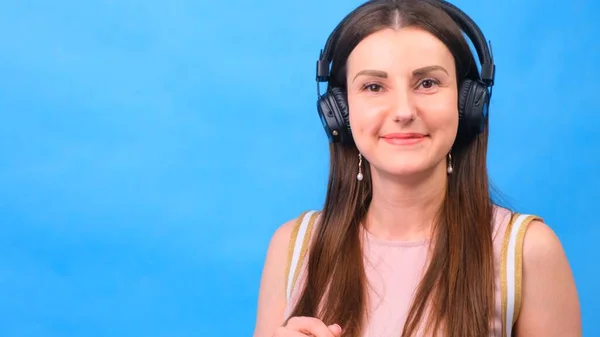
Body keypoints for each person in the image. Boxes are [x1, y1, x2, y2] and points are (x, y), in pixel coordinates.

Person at [253, 0, 582, 336]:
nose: (403, 111)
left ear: (468, 103)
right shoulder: (293, 248)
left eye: (427, 83)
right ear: (339, 111)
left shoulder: (528, 252)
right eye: (374, 86)